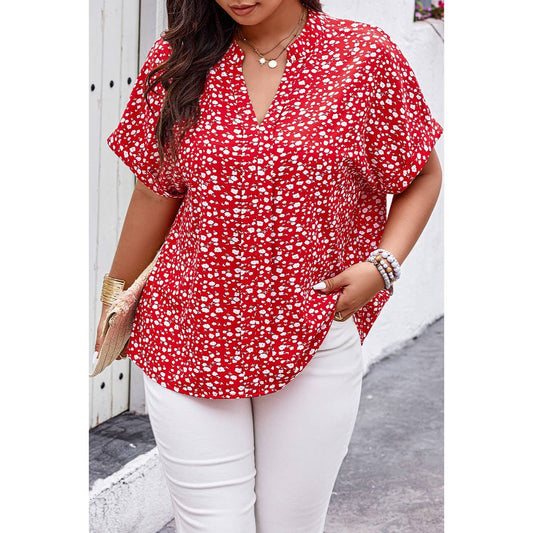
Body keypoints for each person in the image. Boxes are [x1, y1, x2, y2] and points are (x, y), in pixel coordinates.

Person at [94, 0, 443, 531]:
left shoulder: (364, 55)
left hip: (313, 328)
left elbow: (421, 174)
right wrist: (114, 297)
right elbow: (154, 191)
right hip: (188, 330)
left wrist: (383, 266)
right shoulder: (179, 57)